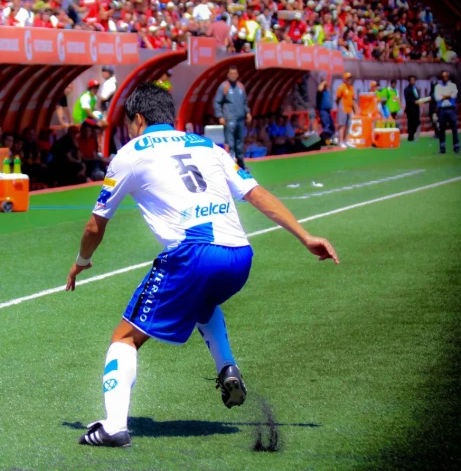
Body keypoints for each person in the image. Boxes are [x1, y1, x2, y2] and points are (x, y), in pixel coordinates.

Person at [66, 83, 339, 448]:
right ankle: (226, 364)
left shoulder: (129, 154)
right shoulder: (208, 145)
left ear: (139, 119)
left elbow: (94, 225)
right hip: (240, 256)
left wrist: (82, 261)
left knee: (125, 338)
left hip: (194, 254)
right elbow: (255, 193)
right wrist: (305, 237)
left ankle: (114, 425)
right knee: (203, 301)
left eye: (131, 123)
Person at [214, 66, 252, 171]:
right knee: (230, 144)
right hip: (229, 119)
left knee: (239, 144)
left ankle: (241, 165)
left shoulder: (241, 87)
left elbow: (244, 102)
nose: (233, 75)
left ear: (238, 75)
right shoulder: (224, 87)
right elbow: (217, 102)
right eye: (231, 73)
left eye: (235, 73)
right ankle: (231, 168)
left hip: (240, 119)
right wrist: (220, 116)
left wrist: (247, 112)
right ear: (228, 75)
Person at [434, 70, 459, 154]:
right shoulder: (438, 87)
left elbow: (454, 95)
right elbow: (437, 98)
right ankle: (442, 148)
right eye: (443, 77)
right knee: (442, 129)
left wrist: (444, 96)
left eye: (446, 76)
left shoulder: (452, 85)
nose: (445, 78)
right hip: (442, 109)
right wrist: (449, 95)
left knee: (454, 129)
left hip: (451, 109)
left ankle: (456, 146)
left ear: (448, 77)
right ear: (441, 78)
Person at [336, 72, 358, 148]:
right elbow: (338, 98)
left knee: (349, 125)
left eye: (350, 78)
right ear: (344, 79)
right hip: (343, 108)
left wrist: (355, 109)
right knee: (342, 125)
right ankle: (341, 141)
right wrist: (340, 107)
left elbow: (353, 99)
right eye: (348, 78)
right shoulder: (342, 87)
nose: (350, 80)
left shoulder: (351, 88)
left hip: (349, 109)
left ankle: (346, 141)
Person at [317, 78, 336, 145]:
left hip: (328, 112)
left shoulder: (326, 91)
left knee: (331, 127)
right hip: (323, 111)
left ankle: (329, 141)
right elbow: (319, 89)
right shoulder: (320, 91)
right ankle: (327, 143)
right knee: (326, 127)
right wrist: (323, 82)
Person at [404, 76, 421, 141]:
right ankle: (410, 136)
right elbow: (407, 98)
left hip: (416, 108)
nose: (413, 81)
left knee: (417, 122)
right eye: (411, 80)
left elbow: (417, 97)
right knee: (411, 123)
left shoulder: (416, 88)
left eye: (414, 80)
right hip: (410, 109)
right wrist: (414, 101)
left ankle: (414, 134)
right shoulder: (407, 89)